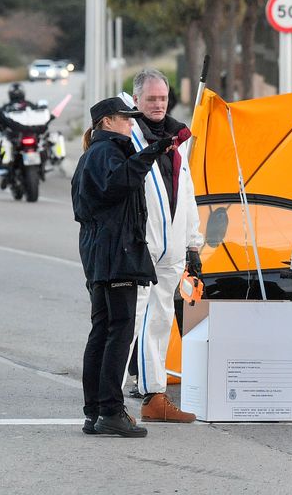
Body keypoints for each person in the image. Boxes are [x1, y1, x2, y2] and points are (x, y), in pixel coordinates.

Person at [72, 96, 176, 438]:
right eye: (125, 119)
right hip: (114, 254)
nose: (131, 124)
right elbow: (117, 186)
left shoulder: (99, 153)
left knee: (103, 331)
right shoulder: (106, 153)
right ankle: (110, 411)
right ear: (107, 122)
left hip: (104, 253)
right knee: (117, 332)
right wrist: (149, 154)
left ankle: (96, 411)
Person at [124, 69, 203, 423]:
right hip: (140, 245)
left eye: (163, 98)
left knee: (159, 320)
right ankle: (120, 392)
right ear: (136, 99)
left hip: (171, 246)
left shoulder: (178, 139)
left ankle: (153, 395)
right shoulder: (126, 136)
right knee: (132, 320)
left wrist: (193, 244)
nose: (158, 104)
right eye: (151, 98)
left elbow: (186, 193)